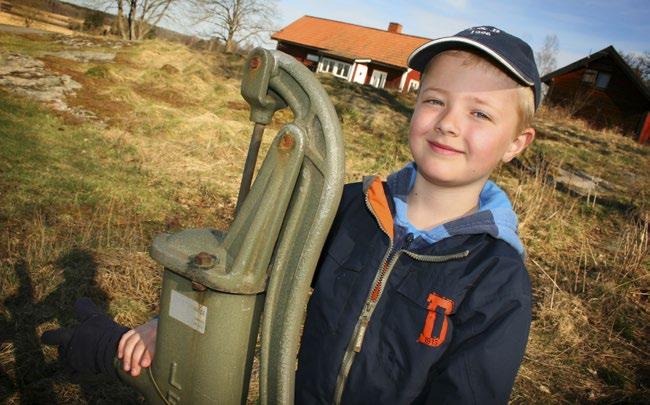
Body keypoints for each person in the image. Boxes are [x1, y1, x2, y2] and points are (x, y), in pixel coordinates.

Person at [43, 25, 540, 404]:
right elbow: (246, 264)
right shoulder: (350, 208)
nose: (449, 123)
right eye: (435, 100)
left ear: (518, 143)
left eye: (479, 113)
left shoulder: (495, 277)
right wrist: (168, 327)